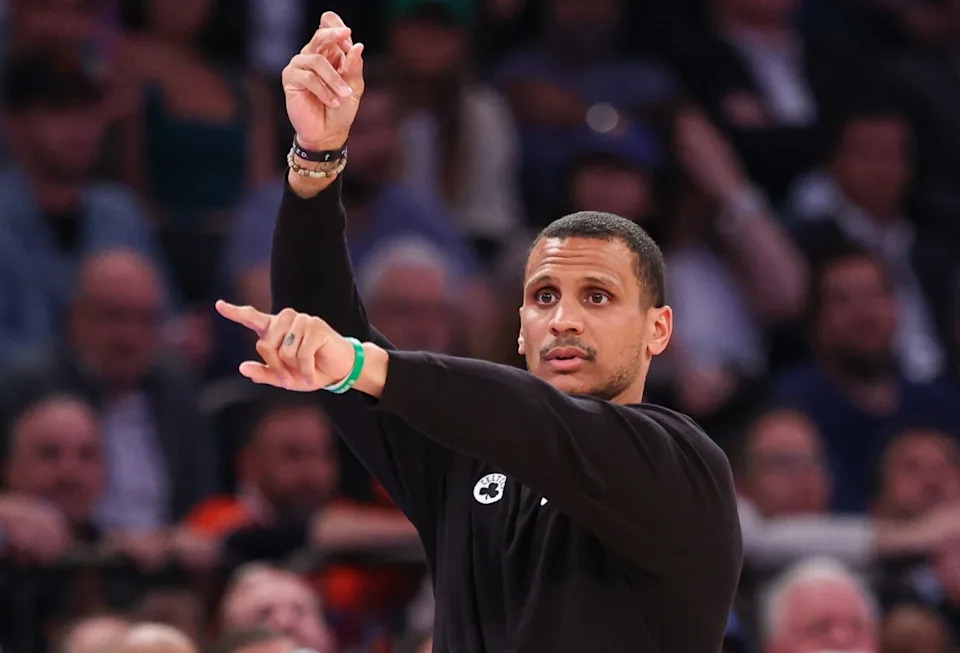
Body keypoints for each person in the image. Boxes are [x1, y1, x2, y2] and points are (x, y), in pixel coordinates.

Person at [216, 12, 742, 653]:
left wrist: (363, 364)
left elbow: (538, 422)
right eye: (543, 297)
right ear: (518, 331)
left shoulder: (682, 465)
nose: (564, 319)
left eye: (597, 297)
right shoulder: (461, 462)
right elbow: (323, 328)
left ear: (658, 330)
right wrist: (316, 159)